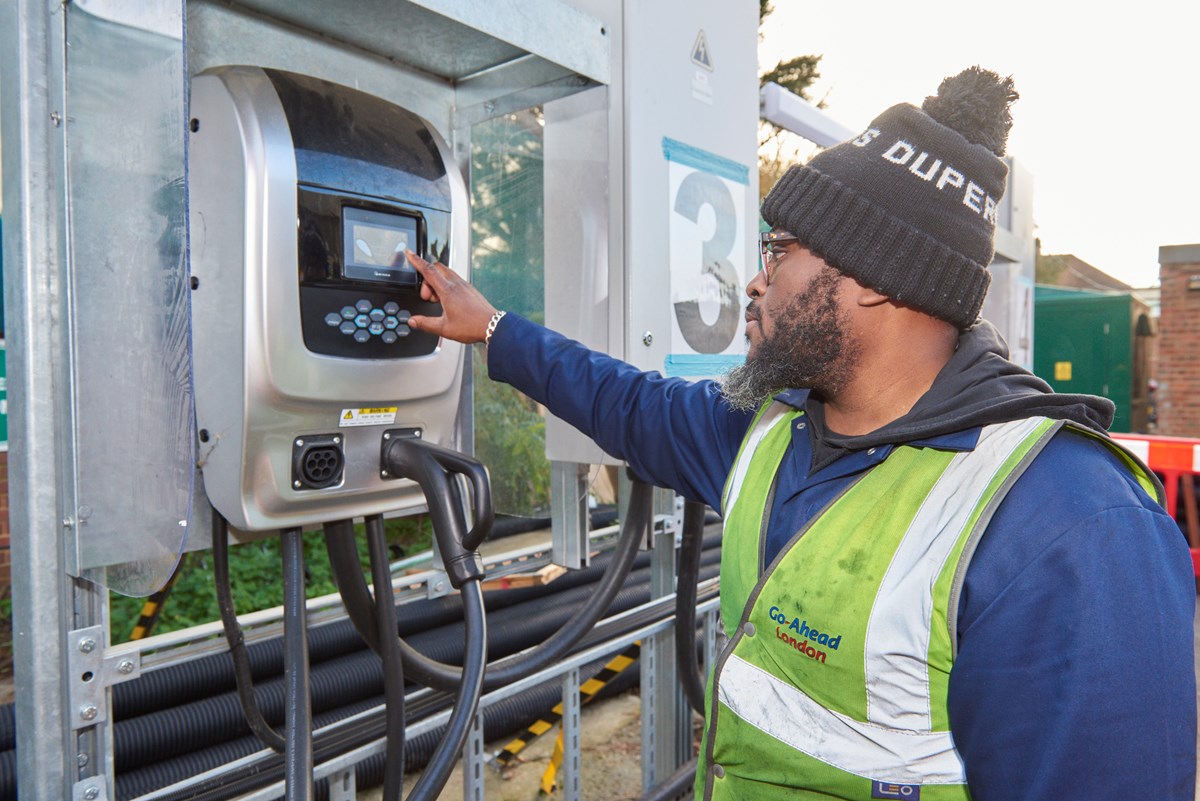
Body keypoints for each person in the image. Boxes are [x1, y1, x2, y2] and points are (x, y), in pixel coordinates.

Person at [406, 67, 1197, 800]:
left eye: (779, 250)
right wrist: (495, 330)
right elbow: (630, 404)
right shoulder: (771, 431)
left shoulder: (1071, 528)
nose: (755, 278)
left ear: (881, 281)